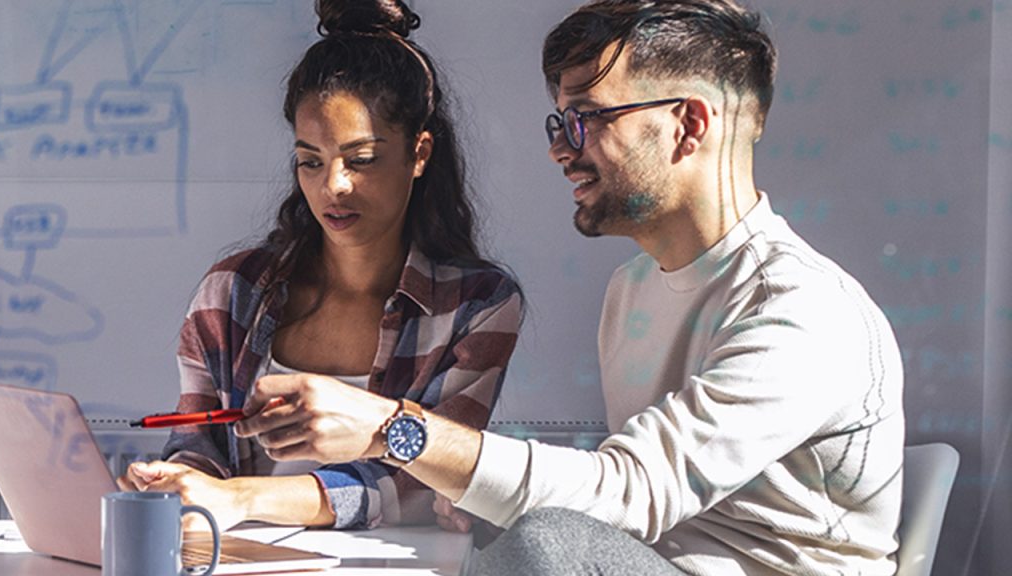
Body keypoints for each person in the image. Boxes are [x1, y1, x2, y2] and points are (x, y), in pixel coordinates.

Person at [234, 0, 905, 574]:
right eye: (560, 122)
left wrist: (392, 429)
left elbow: (633, 493)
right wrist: (471, 483)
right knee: (495, 525)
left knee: (546, 542)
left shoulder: (803, 311)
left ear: (690, 126)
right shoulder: (633, 290)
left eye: (588, 118)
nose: (562, 147)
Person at [117, 0, 522, 533]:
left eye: (362, 160)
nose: (333, 186)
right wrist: (177, 483)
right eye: (310, 161)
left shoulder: (476, 305)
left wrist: (238, 498)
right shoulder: (232, 292)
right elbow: (200, 446)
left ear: (419, 153)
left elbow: (424, 478)